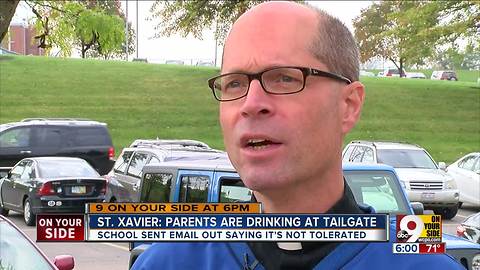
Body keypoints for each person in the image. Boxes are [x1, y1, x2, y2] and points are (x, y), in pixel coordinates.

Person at [132, 2, 464, 269]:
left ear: (348, 106)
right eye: (234, 83)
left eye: (284, 79)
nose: (251, 104)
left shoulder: (422, 263)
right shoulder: (169, 261)